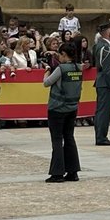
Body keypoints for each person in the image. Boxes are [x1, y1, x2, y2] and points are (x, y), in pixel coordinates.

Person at [42, 41, 83, 182]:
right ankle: (73, 172)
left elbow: (46, 83)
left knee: (57, 140)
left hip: (57, 108)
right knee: (69, 138)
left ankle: (57, 173)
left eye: (60, 54)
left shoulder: (61, 68)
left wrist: (47, 70)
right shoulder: (79, 68)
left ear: (64, 54)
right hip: (72, 108)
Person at [93, 21, 110, 146]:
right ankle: (101, 137)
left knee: (102, 110)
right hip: (105, 82)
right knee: (104, 111)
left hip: (103, 82)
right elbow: (106, 69)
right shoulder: (105, 47)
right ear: (106, 32)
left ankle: (100, 135)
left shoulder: (103, 45)